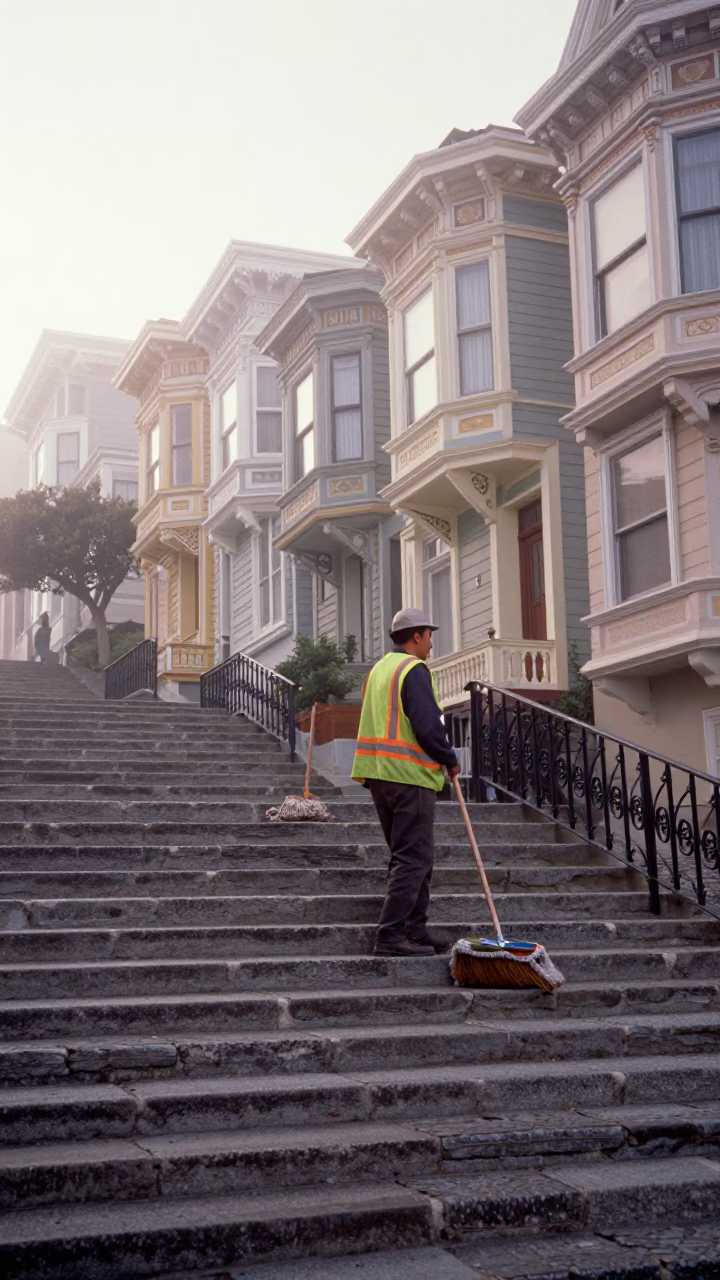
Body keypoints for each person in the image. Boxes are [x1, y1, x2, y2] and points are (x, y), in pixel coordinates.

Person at [352, 608, 460, 958]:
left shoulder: (378, 671)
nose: (431, 644)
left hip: (380, 776)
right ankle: (391, 935)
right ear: (416, 636)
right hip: (409, 775)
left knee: (411, 856)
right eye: (430, 635)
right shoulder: (413, 669)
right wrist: (449, 757)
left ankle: (414, 929)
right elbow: (427, 724)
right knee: (413, 858)